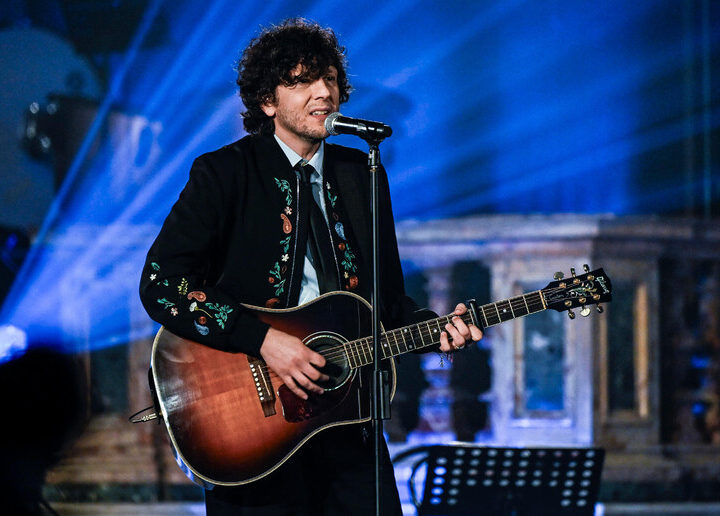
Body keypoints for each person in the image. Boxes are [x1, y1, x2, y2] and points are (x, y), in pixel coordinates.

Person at [139, 18, 482, 515]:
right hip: (254, 424)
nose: (324, 92)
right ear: (267, 101)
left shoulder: (362, 173)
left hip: (347, 417)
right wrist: (264, 340)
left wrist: (436, 330)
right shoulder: (225, 173)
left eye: (330, 79)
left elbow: (385, 303)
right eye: (302, 81)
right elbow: (162, 283)